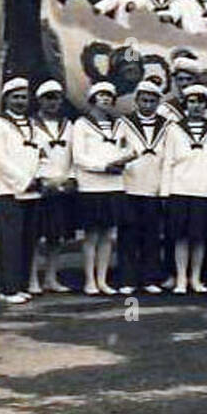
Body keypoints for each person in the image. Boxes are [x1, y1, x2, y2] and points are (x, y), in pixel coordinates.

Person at [0, 77, 42, 304]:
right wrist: (24, 180)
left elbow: (40, 154)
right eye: (15, 97)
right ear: (6, 99)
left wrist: (38, 178)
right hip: (7, 190)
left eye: (24, 97)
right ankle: (8, 289)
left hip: (31, 191)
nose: (20, 101)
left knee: (28, 240)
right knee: (9, 241)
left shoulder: (33, 125)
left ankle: (21, 285)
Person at [72, 81, 135, 295]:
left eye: (109, 96)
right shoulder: (81, 124)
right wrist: (103, 167)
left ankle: (103, 280)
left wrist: (122, 162)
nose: (106, 99)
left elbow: (128, 148)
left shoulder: (121, 124)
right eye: (101, 96)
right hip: (91, 187)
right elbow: (79, 157)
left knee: (108, 235)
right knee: (91, 236)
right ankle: (89, 280)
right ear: (92, 100)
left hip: (114, 186)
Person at [160, 83, 207, 295]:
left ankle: (195, 278)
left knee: (199, 238)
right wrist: (165, 192)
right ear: (186, 104)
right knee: (181, 237)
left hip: (205, 189)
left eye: (200, 102)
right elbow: (168, 161)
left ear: (206, 105)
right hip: (180, 188)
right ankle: (180, 278)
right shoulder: (174, 129)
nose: (196, 106)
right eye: (192, 102)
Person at [118, 80, 170, 295]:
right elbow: (118, 150)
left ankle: (150, 279)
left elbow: (169, 159)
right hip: (130, 186)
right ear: (136, 100)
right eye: (143, 100)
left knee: (152, 236)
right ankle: (127, 279)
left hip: (154, 187)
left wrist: (164, 189)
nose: (147, 104)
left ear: (158, 102)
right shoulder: (124, 123)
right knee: (128, 235)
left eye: (152, 101)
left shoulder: (168, 126)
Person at [31, 80, 75, 294]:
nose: (52, 102)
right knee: (35, 236)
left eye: (56, 98)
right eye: (48, 98)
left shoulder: (69, 125)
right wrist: (41, 180)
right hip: (40, 188)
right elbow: (29, 157)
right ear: (39, 100)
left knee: (56, 237)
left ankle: (51, 277)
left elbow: (74, 156)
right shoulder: (31, 125)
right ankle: (32, 279)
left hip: (62, 186)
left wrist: (69, 179)